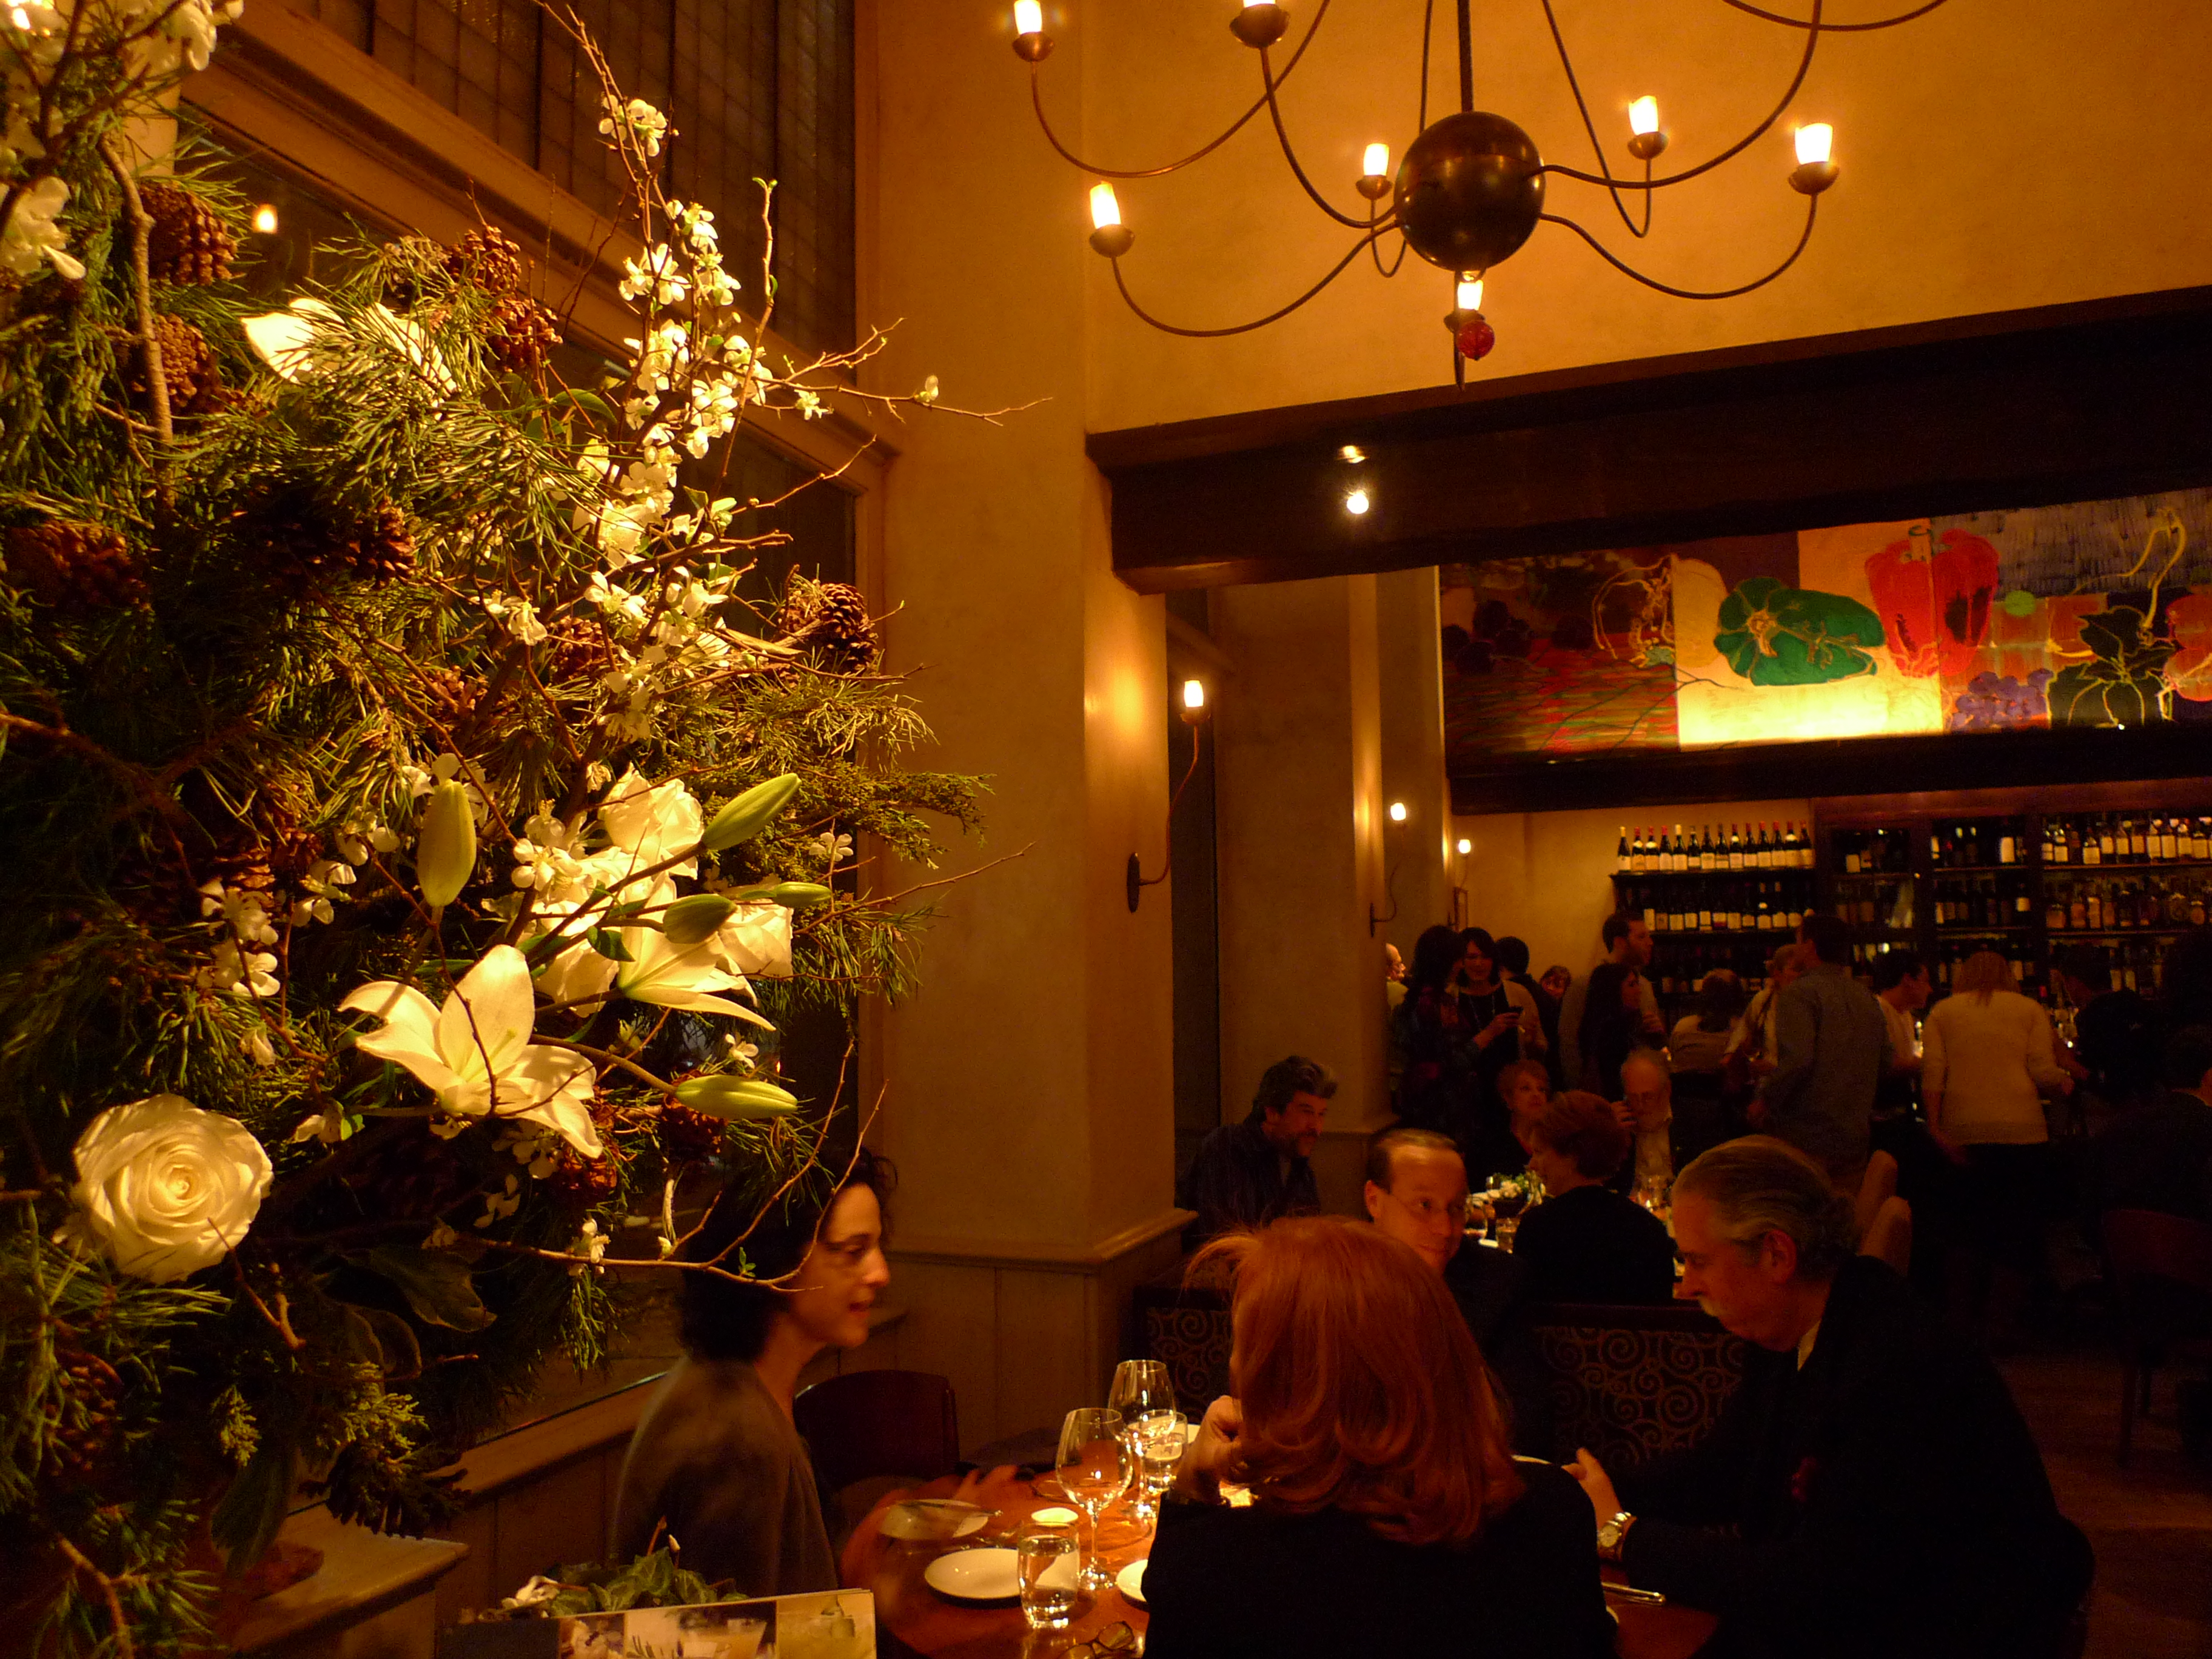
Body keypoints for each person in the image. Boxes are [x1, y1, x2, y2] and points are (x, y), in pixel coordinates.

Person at [1567, 1138, 2092, 1659]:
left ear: (1777, 1255)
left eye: (1698, 1261)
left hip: (1943, 1633)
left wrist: (1623, 1535)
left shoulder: (1899, 1368)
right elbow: (1726, 1467)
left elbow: (1813, 1588)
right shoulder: (1796, 1325)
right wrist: (1574, 1493)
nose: (1687, 1287)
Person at [1143, 1217, 1615, 1659]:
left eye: (1241, 1346)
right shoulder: (1554, 1512)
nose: (1232, 1367)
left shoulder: (1219, 1570)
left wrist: (1190, 1490)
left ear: (1290, 1388)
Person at [611, 1150, 894, 1594]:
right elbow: (739, 1627)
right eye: (854, 1251)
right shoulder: (737, 1438)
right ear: (777, 1260)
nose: (881, 1274)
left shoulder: (743, 1379)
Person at [1362, 1126, 1552, 1455]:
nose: (1446, 1229)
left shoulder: (1497, 1283)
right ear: (1375, 1201)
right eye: (1425, 1205)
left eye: (1457, 1207)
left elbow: (1524, 1422)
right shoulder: (1333, 1280)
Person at [1922, 950, 2072, 1335]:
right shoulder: (2029, 1009)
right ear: (2009, 974)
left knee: (1962, 1231)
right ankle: (1999, 1326)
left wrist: (1936, 1127)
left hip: (1962, 1129)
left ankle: (1959, 1322)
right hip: (2022, 1130)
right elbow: (2041, 1071)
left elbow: (1934, 1071)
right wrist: (2068, 1080)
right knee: (2016, 1232)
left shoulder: (1943, 1012)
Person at [1757, 914, 1889, 1185]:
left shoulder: (1799, 993)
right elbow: (1885, 1061)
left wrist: (1765, 1100)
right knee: (1845, 1207)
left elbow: (1798, 1061)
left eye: (1798, 941)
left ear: (1810, 946)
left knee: (1803, 1207)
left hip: (1807, 1137)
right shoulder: (1865, 996)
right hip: (1854, 1137)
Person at [1512, 1092, 1677, 1305]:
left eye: (1540, 1152)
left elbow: (1525, 1312)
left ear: (1573, 1155)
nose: (1532, 1165)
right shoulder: (1648, 1229)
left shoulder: (1537, 1229)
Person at [1181, 1056, 1333, 1246]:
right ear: (1272, 1113)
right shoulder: (1228, 1148)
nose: (1316, 1127)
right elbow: (1230, 1244)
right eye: (1307, 1112)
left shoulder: (1298, 1163)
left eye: (1321, 1115)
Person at [2086, 1024, 2212, 1228]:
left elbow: (2092, 1218)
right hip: (2195, 1246)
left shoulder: (2118, 1128)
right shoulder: (2205, 1129)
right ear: (2210, 1076)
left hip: (2122, 1244)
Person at [1449, 927, 1547, 1171]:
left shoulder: (1516, 993)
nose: (1479, 964)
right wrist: (1491, 1031)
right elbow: (1449, 1058)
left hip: (1512, 1095)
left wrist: (1531, 1039)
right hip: (1469, 1098)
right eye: (1471, 957)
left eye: (1485, 957)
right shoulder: (1451, 998)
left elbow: (1541, 1050)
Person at [1557, 913, 1660, 1090]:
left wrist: (1658, 1033)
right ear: (1619, 942)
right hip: (1600, 1089)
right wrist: (1580, 1091)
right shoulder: (1585, 985)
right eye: (1642, 937)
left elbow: (1649, 1044)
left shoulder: (1644, 986)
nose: (1650, 943)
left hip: (1641, 1086)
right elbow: (1569, 1043)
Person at [2054, 943, 2159, 1114]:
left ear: (2073, 983)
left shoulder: (2095, 1017)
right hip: (2155, 1107)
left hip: (2125, 1116)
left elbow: (2110, 1085)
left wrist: (2068, 1063)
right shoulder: (2134, 1004)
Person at [1393, 926, 1472, 1135]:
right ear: (1444, 961)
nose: (1461, 965)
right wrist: (1489, 1034)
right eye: (1458, 959)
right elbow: (1453, 1059)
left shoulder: (1415, 997)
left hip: (1418, 1094)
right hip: (1440, 1099)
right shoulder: (1436, 1003)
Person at [1494, 934, 1563, 1084]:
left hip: (1528, 1077)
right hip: (1551, 1074)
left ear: (1499, 964)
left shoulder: (1512, 995)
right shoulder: (1542, 994)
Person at [1610, 1050, 1680, 1196]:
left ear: (1667, 1090)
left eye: (1648, 1097)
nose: (1640, 1106)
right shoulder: (1617, 1123)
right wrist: (1610, 1136)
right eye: (1633, 1098)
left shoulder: (1691, 1120)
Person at [1496, 1056, 1550, 1161]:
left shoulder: (1558, 1140)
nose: (1536, 1094)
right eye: (1526, 1088)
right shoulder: (1495, 1146)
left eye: (1541, 1089)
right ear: (1508, 1098)